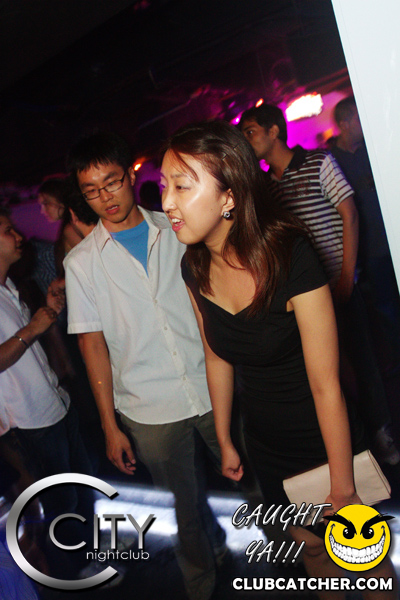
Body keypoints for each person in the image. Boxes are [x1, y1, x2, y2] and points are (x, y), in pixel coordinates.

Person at [161, 120, 397, 599]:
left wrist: (342, 483)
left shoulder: (290, 256)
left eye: (182, 186)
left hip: (324, 436)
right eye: (165, 186)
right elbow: (216, 355)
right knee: (312, 552)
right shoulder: (194, 265)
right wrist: (225, 438)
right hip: (267, 444)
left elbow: (326, 384)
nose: (167, 202)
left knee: (364, 559)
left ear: (229, 196)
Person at [64, 131, 226, 600]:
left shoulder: (178, 227)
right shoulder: (81, 264)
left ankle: (287, 561)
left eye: (112, 182)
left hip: (213, 382)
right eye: (92, 191)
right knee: (185, 507)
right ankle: (202, 583)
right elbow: (92, 344)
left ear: (130, 175)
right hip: (148, 406)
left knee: (255, 483)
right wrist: (109, 425)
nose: (105, 197)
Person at [240, 103, 399, 466]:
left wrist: (346, 276)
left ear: (273, 131)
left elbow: (349, 214)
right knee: (329, 372)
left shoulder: (318, 161)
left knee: (361, 360)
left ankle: (382, 431)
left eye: (250, 132)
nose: (247, 140)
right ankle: (357, 442)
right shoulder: (265, 187)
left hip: (338, 282)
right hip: (303, 296)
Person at [0, 208, 94, 577]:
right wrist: (33, 328)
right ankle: (71, 570)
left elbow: (27, 349)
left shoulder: (9, 287)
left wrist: (49, 309)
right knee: (61, 501)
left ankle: (86, 552)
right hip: (30, 420)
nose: (19, 235)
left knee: (82, 487)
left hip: (55, 404)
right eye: (8, 230)